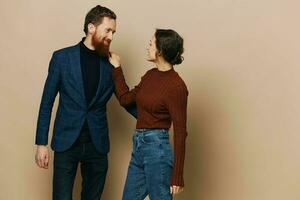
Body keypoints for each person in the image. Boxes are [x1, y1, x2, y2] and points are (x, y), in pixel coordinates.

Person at [35, 5, 135, 200]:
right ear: (91, 28)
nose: (111, 37)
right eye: (108, 30)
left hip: (96, 145)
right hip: (66, 142)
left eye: (113, 32)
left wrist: (156, 117)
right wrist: (41, 143)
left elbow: (125, 99)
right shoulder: (62, 58)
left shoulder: (110, 63)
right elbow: (47, 101)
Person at [109, 29, 188, 200]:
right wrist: (117, 68)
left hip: (157, 149)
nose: (148, 47)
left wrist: (177, 176)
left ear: (160, 50)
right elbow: (125, 99)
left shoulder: (177, 86)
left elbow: (181, 133)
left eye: (151, 44)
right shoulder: (150, 76)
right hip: (139, 145)